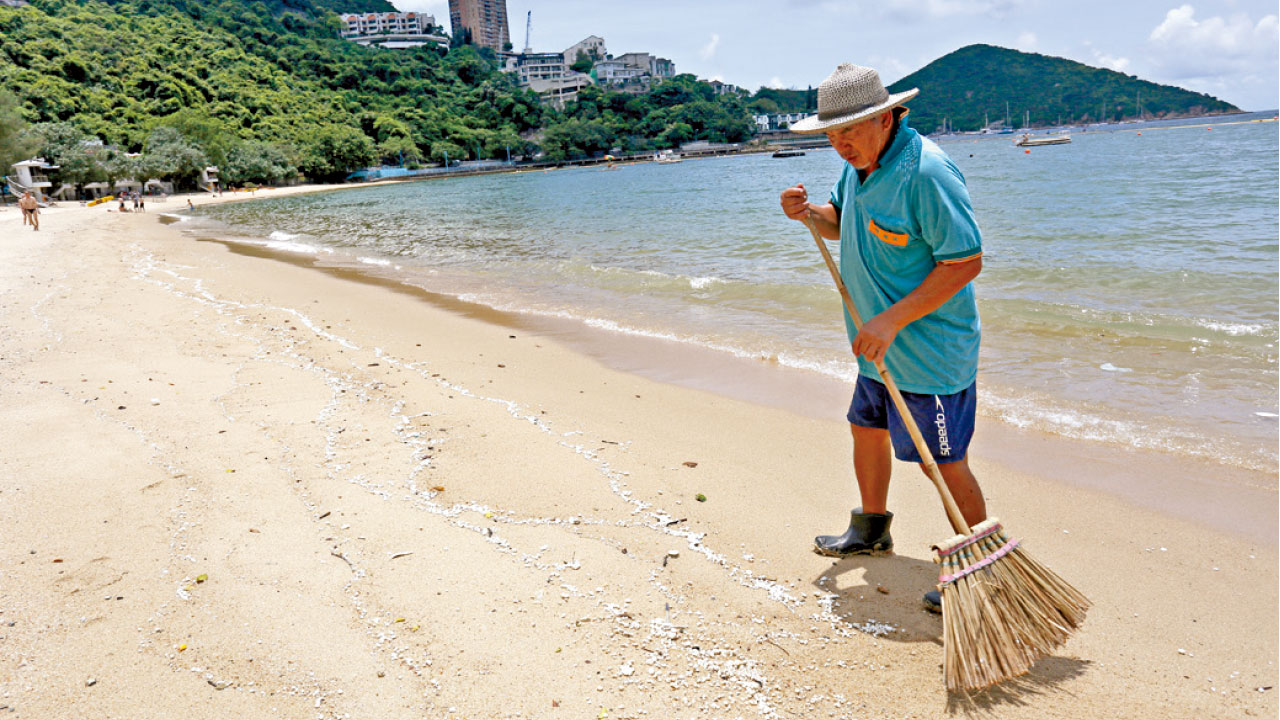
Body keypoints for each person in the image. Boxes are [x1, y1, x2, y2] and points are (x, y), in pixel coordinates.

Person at [779, 63, 986, 612]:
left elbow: (964, 263)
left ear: (889, 116)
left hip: (928, 353)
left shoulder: (927, 174)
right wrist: (809, 215)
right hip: (876, 349)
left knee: (942, 460)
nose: (840, 144)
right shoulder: (858, 168)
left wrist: (890, 320)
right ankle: (872, 529)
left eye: (850, 130)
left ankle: (979, 571)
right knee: (864, 427)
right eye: (831, 134)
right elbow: (840, 220)